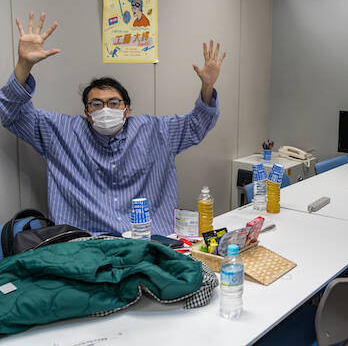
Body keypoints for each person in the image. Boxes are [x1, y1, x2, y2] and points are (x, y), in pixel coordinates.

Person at [0, 12, 226, 235]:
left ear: (127, 110)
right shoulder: (60, 133)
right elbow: (11, 114)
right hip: (87, 244)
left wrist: (207, 87)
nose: (105, 109)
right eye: (96, 104)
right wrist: (23, 66)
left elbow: (196, 125)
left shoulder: (156, 131)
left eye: (113, 103)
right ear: (87, 112)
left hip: (146, 240)